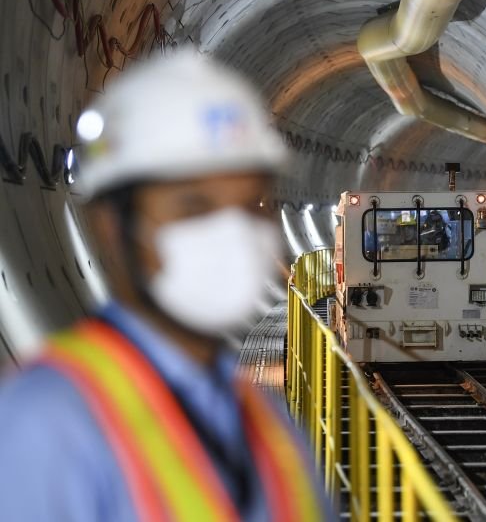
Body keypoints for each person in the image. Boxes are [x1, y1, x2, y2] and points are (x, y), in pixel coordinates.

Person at [0, 52, 331, 521]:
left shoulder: (268, 422)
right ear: (112, 227)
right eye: (194, 206)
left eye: (251, 205)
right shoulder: (48, 425)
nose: (232, 233)